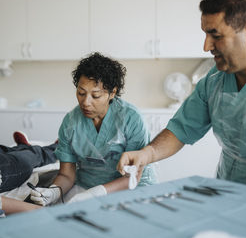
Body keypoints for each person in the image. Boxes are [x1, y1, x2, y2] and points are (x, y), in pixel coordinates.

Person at [117, 0, 246, 196]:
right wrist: (147, 154)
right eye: (205, 34)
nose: (206, 46)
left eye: (216, 35)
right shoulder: (215, 80)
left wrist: (225, 202)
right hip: (226, 192)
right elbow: (181, 130)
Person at [30, 52, 157, 206]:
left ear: (113, 92)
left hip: (131, 189)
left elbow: (133, 176)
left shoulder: (131, 119)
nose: (86, 102)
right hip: (85, 187)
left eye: (95, 96)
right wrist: (54, 191)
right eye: (81, 93)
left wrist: (97, 193)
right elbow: (66, 175)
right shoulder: (71, 123)